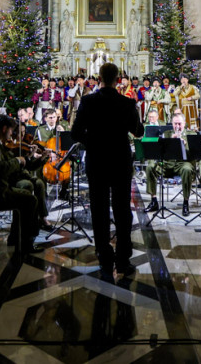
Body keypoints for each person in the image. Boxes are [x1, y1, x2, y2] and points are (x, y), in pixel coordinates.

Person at [71, 62, 142, 277]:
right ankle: (122, 260)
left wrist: (92, 142)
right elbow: (138, 132)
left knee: (99, 210)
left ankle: (104, 257)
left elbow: (75, 133)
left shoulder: (88, 101)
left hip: (98, 161)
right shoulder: (127, 103)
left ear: (99, 78)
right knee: (122, 211)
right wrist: (137, 116)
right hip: (120, 161)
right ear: (118, 78)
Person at [0, 114, 48, 255]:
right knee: (30, 200)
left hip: (1, 189)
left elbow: (18, 165)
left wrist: (34, 159)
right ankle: (26, 243)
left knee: (26, 197)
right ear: (4, 129)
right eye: (11, 130)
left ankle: (17, 238)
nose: (12, 134)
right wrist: (17, 161)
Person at [144, 112, 196, 215]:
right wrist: (170, 142)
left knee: (187, 169)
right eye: (175, 124)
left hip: (182, 163)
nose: (177, 126)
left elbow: (194, 154)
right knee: (150, 167)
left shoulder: (191, 135)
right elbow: (160, 150)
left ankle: (186, 202)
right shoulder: (167, 134)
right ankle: (154, 200)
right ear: (171, 124)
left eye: (179, 124)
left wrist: (183, 144)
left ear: (184, 123)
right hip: (167, 164)